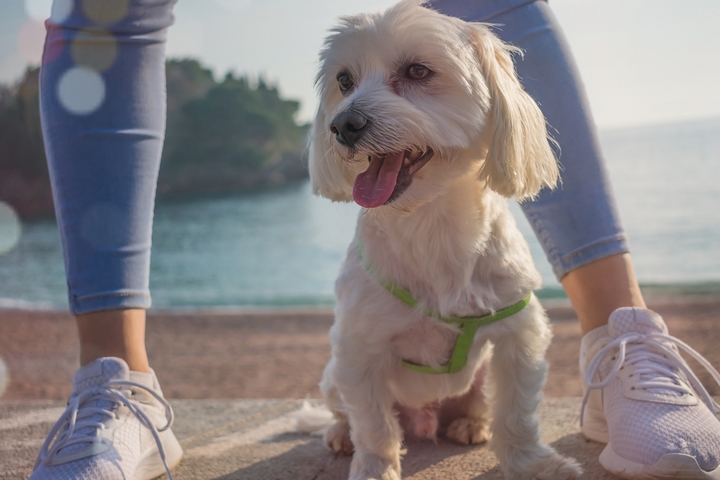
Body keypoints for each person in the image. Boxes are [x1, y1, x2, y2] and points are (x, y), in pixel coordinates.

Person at [32, 0, 720, 479]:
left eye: (415, 73)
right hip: (377, 383)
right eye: (345, 86)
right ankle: (115, 382)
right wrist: (373, 451)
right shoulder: (369, 261)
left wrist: (518, 441)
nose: (351, 119)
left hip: (468, 354)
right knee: (108, 8)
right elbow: (354, 358)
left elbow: (520, 339)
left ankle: (621, 340)